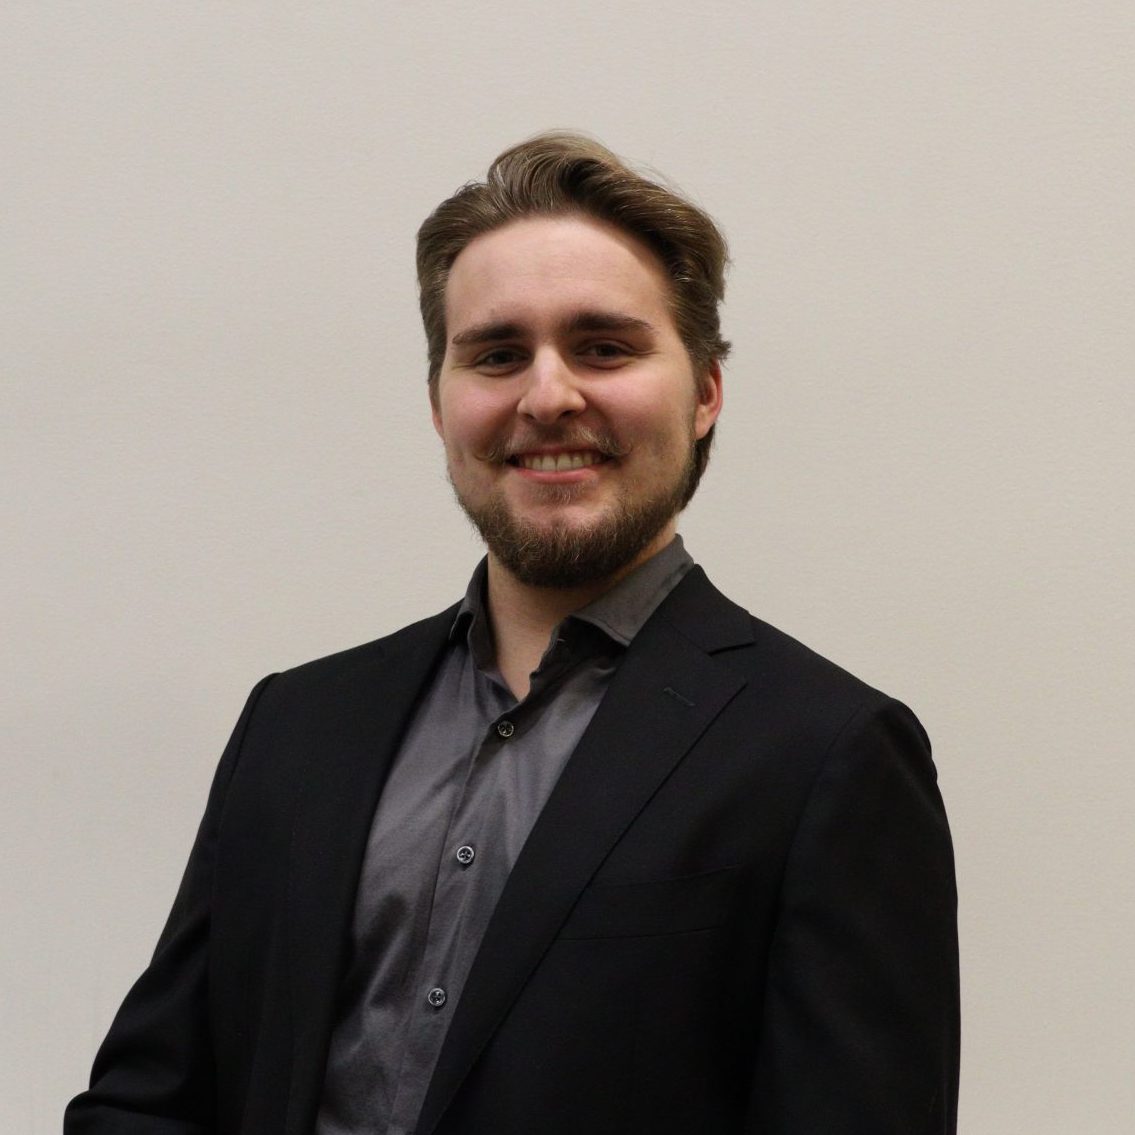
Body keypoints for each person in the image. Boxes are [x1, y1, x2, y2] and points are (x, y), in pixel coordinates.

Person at [66, 133, 960, 1135]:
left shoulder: (827, 754)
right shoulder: (297, 722)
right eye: (496, 355)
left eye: (604, 347)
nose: (546, 396)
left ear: (705, 392)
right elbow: (149, 1098)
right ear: (439, 402)